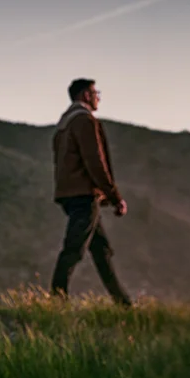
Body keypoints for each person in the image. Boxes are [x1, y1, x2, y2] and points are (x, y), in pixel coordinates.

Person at [47, 78, 133, 306]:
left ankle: (123, 303)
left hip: (69, 195)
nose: (98, 97)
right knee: (74, 249)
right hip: (84, 196)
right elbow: (95, 162)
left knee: (101, 250)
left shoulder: (63, 125)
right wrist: (115, 196)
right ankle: (57, 299)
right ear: (85, 95)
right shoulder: (84, 120)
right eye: (96, 93)